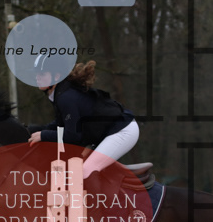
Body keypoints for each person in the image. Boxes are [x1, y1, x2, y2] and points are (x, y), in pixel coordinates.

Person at [28, 57, 139, 203]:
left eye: (42, 74)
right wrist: (33, 130)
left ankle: (104, 213)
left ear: (56, 76)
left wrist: (44, 135)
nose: (37, 77)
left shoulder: (65, 97)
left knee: (86, 171)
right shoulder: (61, 93)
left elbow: (73, 137)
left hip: (122, 131)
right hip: (108, 131)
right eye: (36, 73)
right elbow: (60, 124)